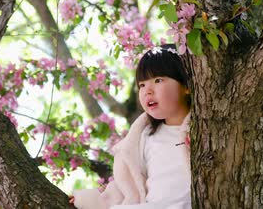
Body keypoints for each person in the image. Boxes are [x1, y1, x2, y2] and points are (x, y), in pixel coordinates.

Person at [70, 44, 192, 209]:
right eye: (142, 85)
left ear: (186, 85)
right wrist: (89, 200)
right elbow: (128, 185)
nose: (147, 90)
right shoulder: (145, 136)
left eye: (158, 80)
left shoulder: (205, 128)